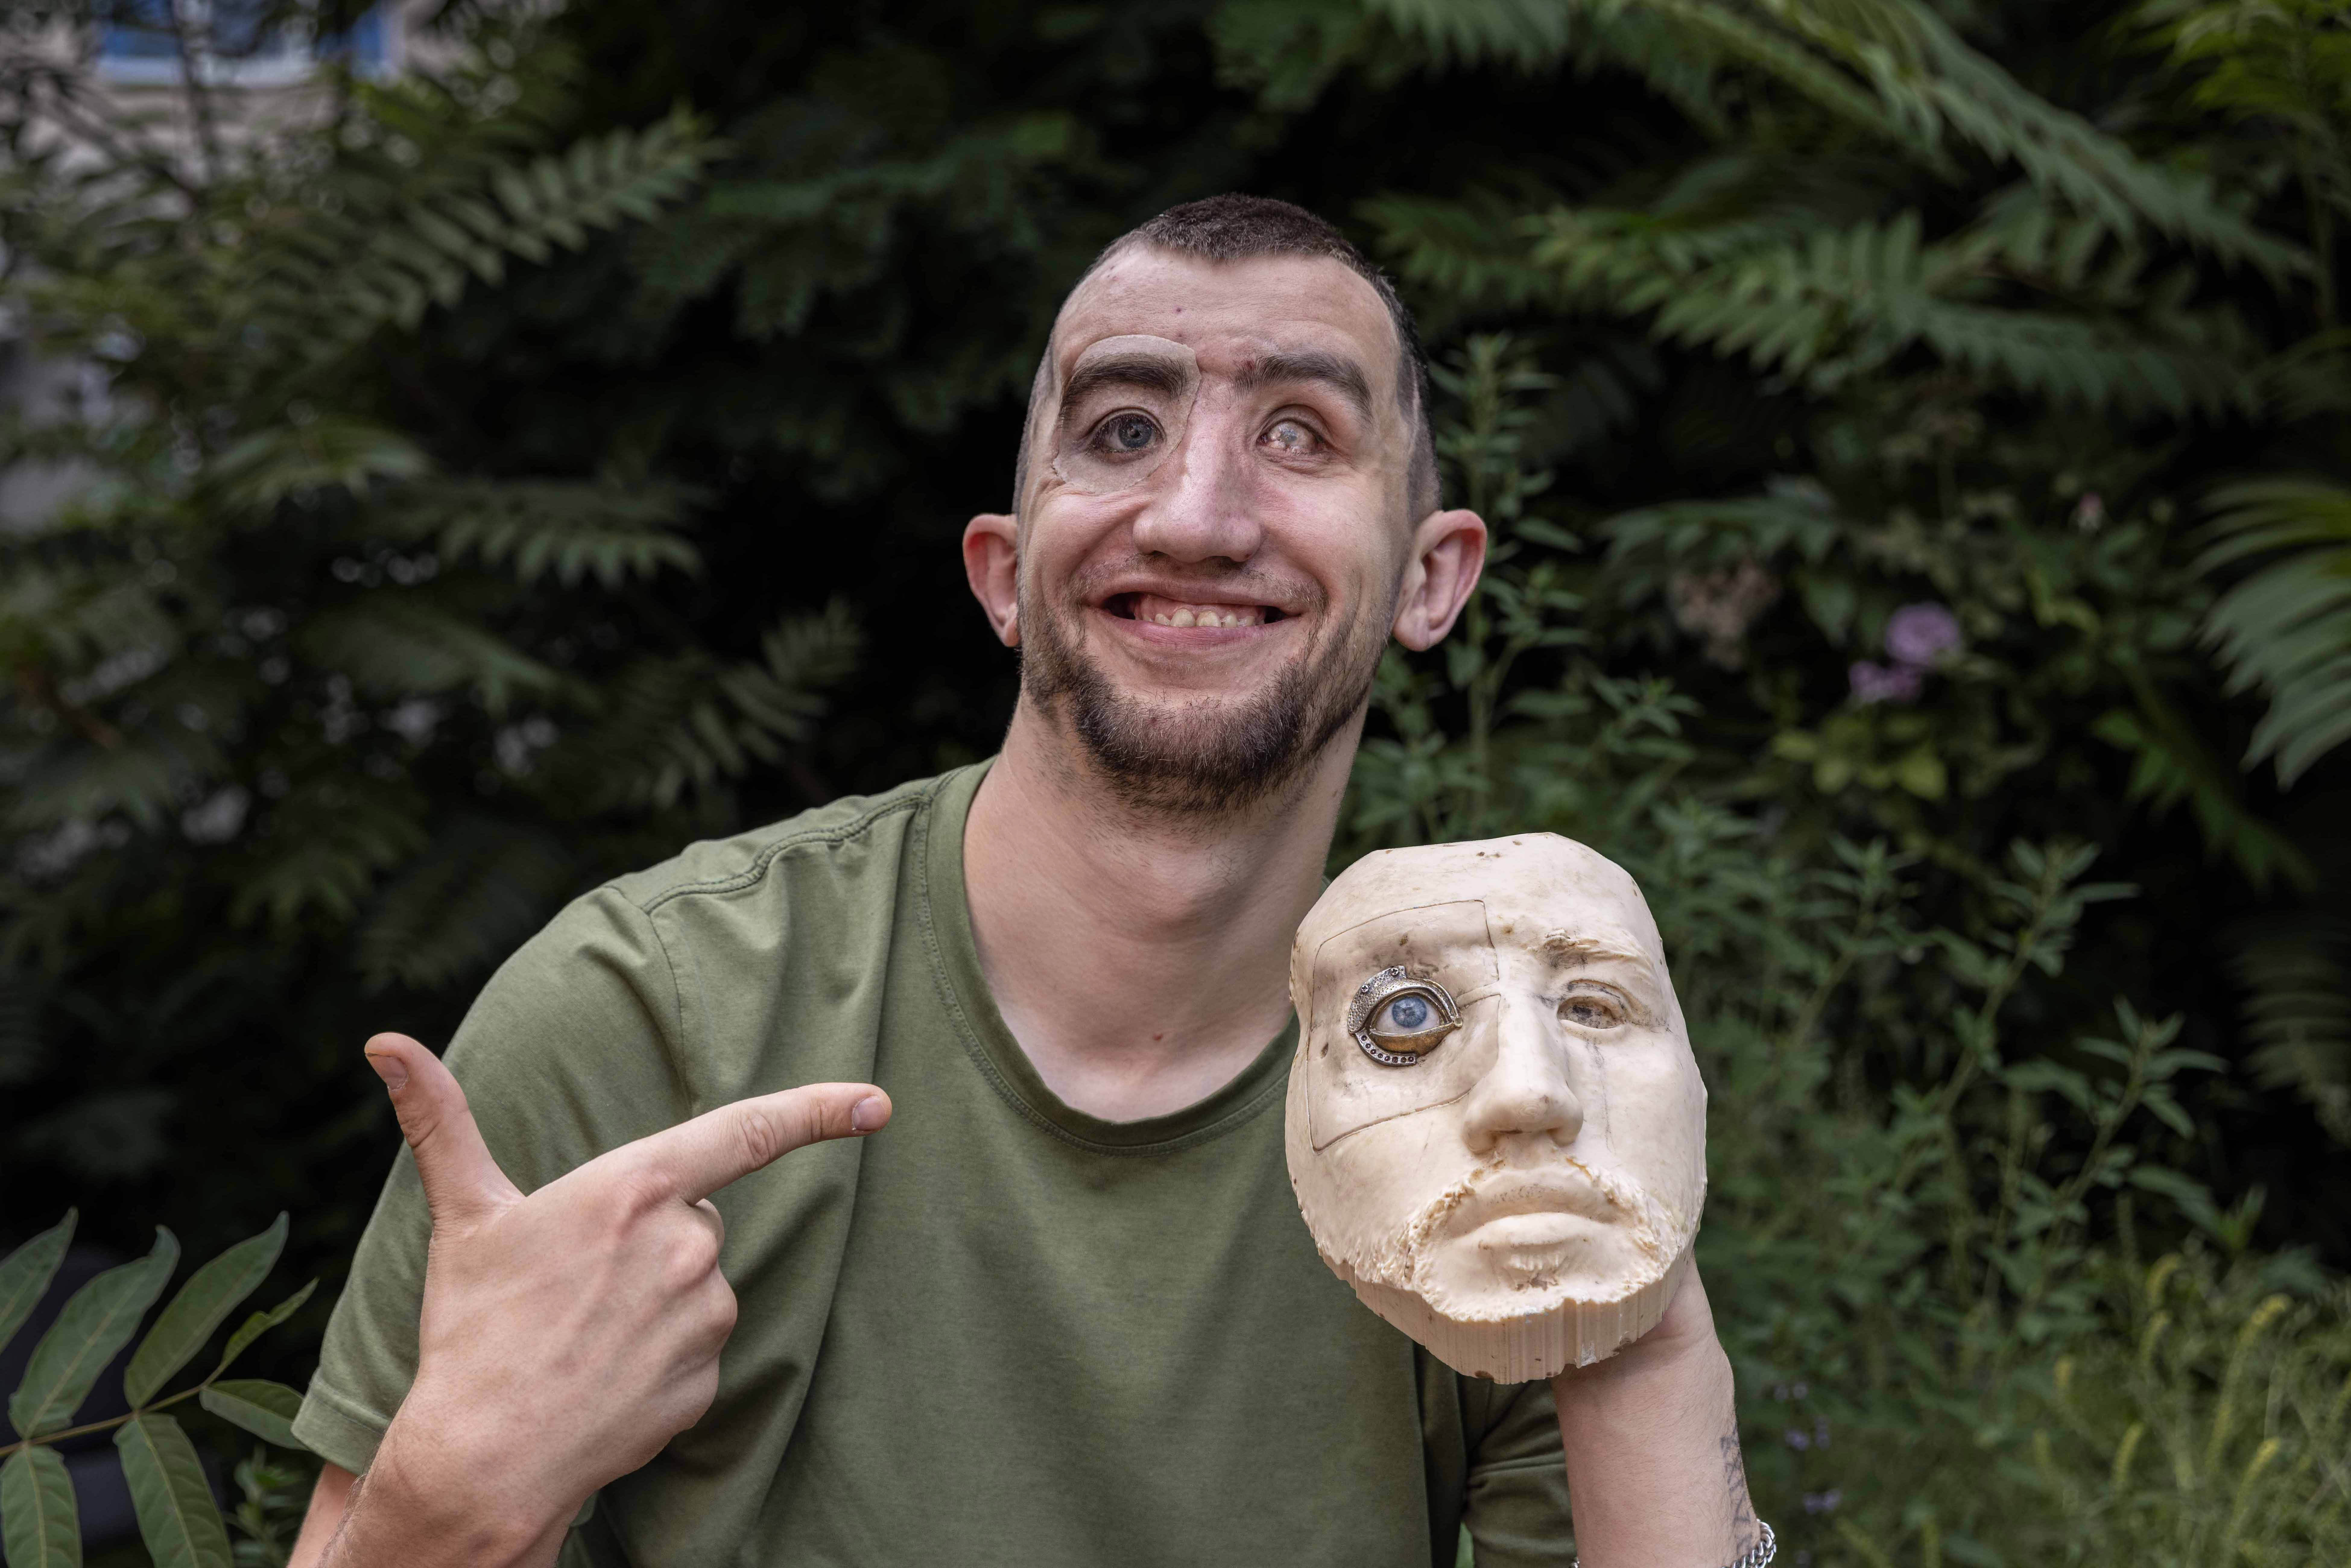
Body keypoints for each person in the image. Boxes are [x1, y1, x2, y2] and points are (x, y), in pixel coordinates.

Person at [286, 195, 1767, 1568]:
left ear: (1431, 578)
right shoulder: (656, 1018)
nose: (1194, 515)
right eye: (1122, 428)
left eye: (1302, 435)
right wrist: (447, 1507)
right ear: (1003, 572)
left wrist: (1635, 1327)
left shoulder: (1504, 1085)